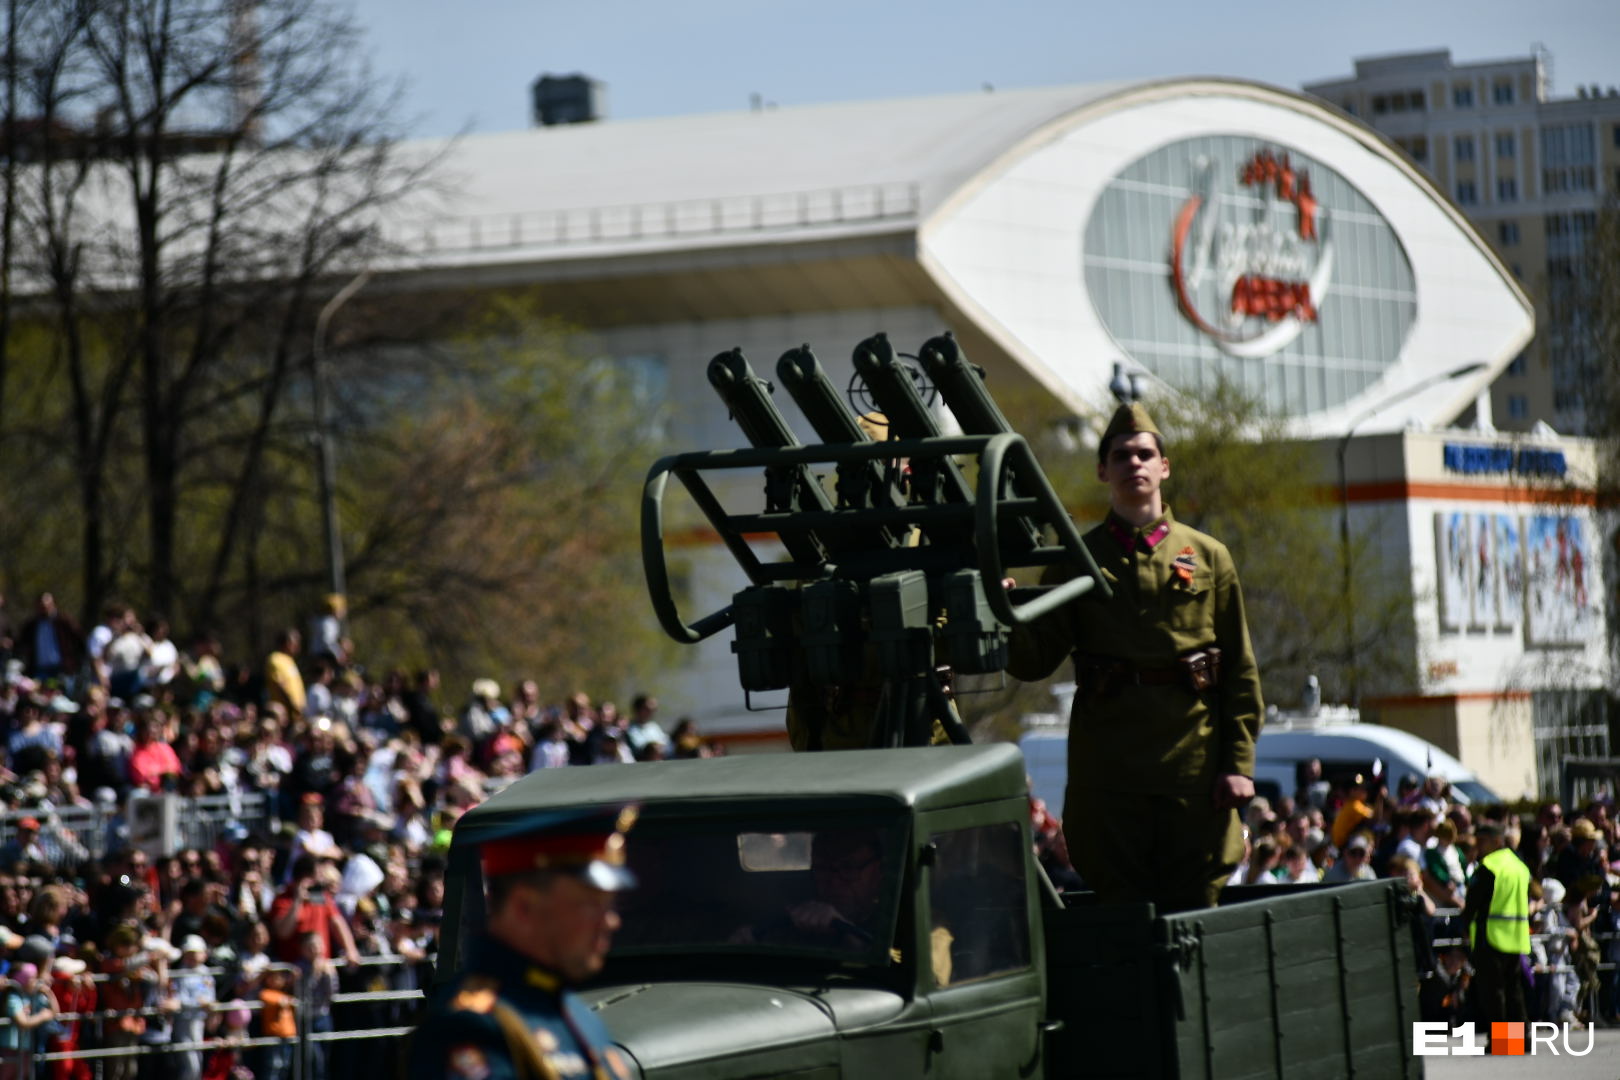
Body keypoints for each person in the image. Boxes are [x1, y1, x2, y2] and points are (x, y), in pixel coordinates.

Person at [1005, 401, 1264, 912]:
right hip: (1110, 773)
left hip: (1193, 769)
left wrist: (1238, 763)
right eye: (1121, 455)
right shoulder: (1078, 559)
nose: (1135, 464)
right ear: (1103, 470)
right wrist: (1005, 611)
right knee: (1120, 911)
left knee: (1194, 909)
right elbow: (1034, 661)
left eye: (1146, 453)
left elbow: (1239, 668)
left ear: (1164, 466)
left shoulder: (1208, 557)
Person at [409, 804, 639, 1080]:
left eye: (611, 905)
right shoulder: (474, 1027)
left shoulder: (571, 1013)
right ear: (523, 908)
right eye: (590, 904)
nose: (611, 921)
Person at [1461, 821, 1532, 1034]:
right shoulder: (1519, 866)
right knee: (1514, 990)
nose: (1479, 846)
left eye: (1483, 841)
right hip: (1515, 937)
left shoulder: (1489, 866)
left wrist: (1464, 925)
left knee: (1494, 992)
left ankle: (1502, 1041)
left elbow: (1473, 902)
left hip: (1490, 936)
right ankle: (1522, 1039)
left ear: (1497, 841)